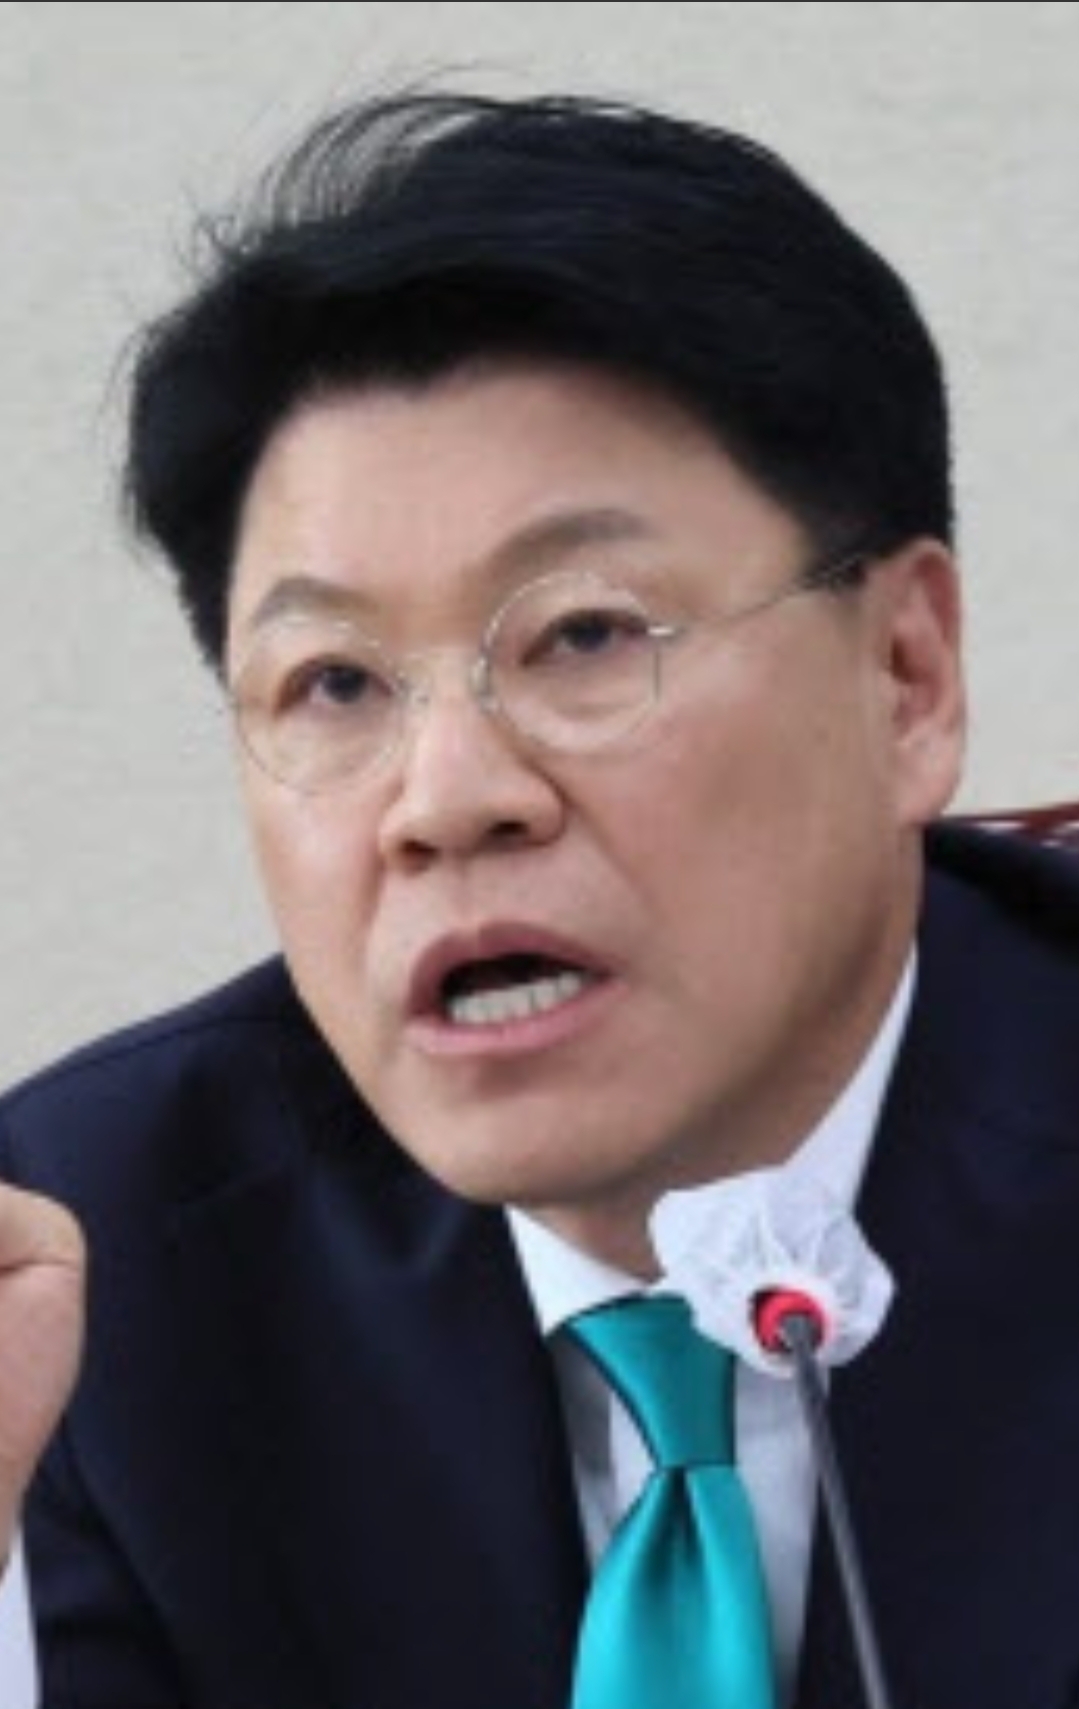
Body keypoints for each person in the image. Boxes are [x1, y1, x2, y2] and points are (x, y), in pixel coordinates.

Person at [2, 88, 1079, 1709]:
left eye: (584, 635)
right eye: (335, 681)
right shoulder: (95, 1270)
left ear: (907, 677)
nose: (447, 798)